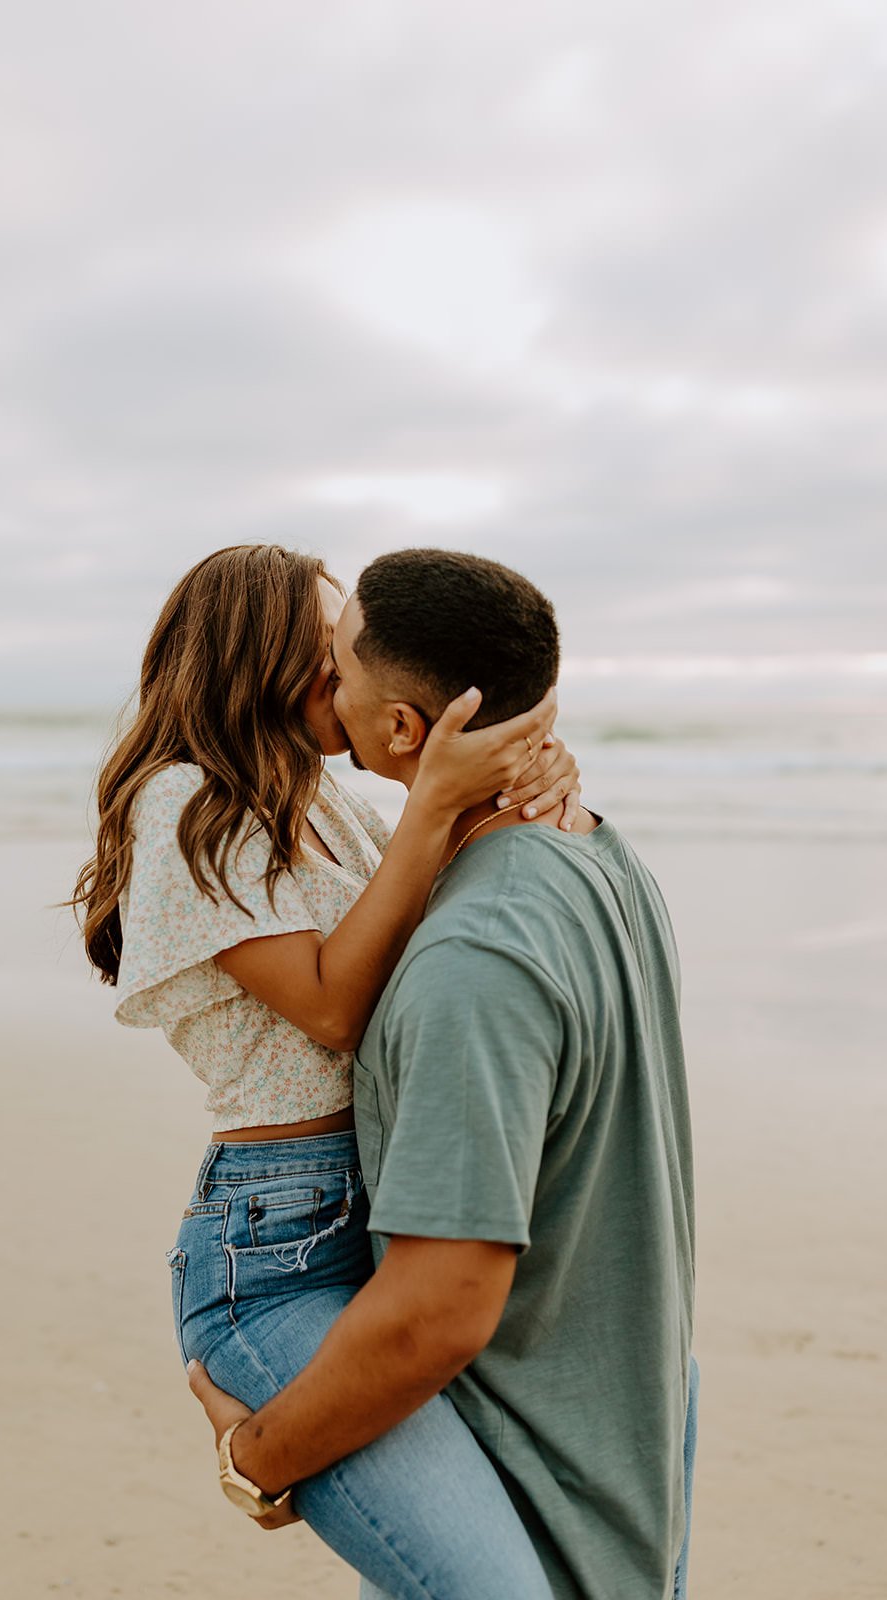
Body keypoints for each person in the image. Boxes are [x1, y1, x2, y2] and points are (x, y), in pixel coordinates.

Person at [70, 543, 583, 1598]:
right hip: (279, 1250)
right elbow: (332, 1003)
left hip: (398, 1213)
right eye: (322, 653)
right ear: (244, 658)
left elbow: (434, 926)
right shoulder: (180, 803)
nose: (343, 677)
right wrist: (433, 807)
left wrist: (524, 788)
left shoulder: (323, 797)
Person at [188, 547, 697, 1600]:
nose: (311, 693)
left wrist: (257, 1461)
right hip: (603, 1405)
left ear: (401, 729)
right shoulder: (601, 858)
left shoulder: (475, 953)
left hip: (532, 1436)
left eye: (333, 670)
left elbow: (434, 1310)